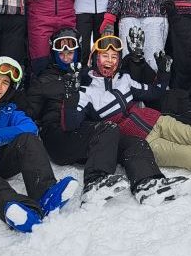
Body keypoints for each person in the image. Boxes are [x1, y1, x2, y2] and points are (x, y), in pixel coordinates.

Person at [23, 29, 141, 205]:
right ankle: (94, 183)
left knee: (131, 141)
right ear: (54, 53)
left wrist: (137, 61)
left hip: (84, 131)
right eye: (61, 52)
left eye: (70, 51)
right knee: (108, 129)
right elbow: (28, 112)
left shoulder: (86, 75)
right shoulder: (43, 80)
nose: (66, 55)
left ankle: (145, 182)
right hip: (58, 135)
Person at [69, 35, 188, 204]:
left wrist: (164, 73)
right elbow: (71, 123)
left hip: (147, 125)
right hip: (119, 137)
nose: (109, 60)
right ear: (94, 58)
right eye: (104, 55)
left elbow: (154, 92)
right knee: (184, 150)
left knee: (137, 144)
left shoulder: (123, 79)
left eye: (114, 56)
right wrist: (71, 97)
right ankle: (95, 185)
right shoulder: (86, 91)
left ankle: (147, 184)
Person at [0, 56, 78, 232]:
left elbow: (30, 127)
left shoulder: (9, 109)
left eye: (5, 83)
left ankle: (45, 193)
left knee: (28, 139)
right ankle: (14, 208)